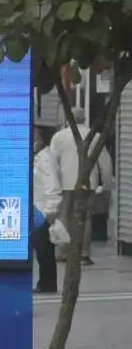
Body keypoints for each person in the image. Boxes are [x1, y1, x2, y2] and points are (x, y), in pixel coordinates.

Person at [50, 108, 115, 266]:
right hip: (88, 184)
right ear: (84, 118)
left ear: (68, 119)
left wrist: (52, 186)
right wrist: (107, 185)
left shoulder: (59, 137)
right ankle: (83, 254)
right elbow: (105, 164)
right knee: (85, 218)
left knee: (65, 217)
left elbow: (51, 164)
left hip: (65, 184)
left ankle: (64, 252)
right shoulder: (94, 137)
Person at [32, 126, 63, 294]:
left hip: (43, 210)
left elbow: (52, 185)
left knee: (44, 248)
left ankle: (48, 283)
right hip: (36, 209)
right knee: (40, 248)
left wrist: (52, 209)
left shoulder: (46, 159)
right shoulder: (37, 157)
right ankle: (45, 282)